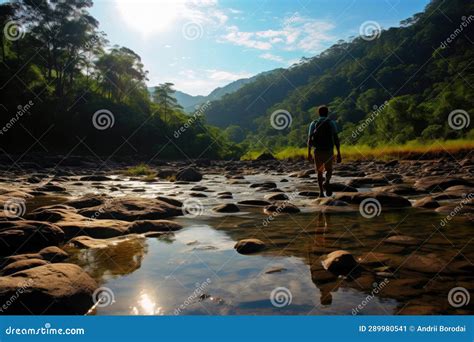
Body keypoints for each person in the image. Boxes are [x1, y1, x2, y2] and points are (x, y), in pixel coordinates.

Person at [307, 105, 341, 197]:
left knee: (319, 171)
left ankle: (321, 192)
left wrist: (309, 153)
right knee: (329, 170)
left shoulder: (313, 123)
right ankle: (327, 181)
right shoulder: (331, 123)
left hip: (317, 151)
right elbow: (336, 139)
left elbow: (309, 139)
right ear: (327, 113)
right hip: (328, 150)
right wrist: (338, 153)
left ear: (318, 113)